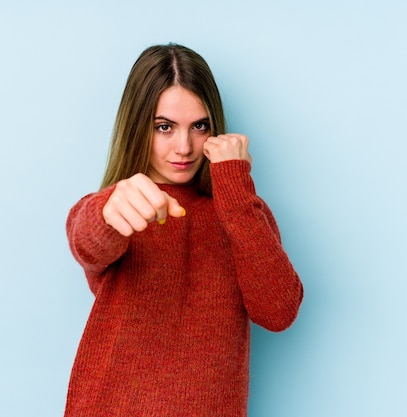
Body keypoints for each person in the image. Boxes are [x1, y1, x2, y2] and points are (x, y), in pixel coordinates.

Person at [64, 43, 304, 417]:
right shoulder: (121, 204)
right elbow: (87, 242)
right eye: (164, 127)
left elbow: (278, 311)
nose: (184, 147)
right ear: (137, 127)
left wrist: (235, 187)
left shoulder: (242, 213)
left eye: (199, 126)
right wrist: (108, 209)